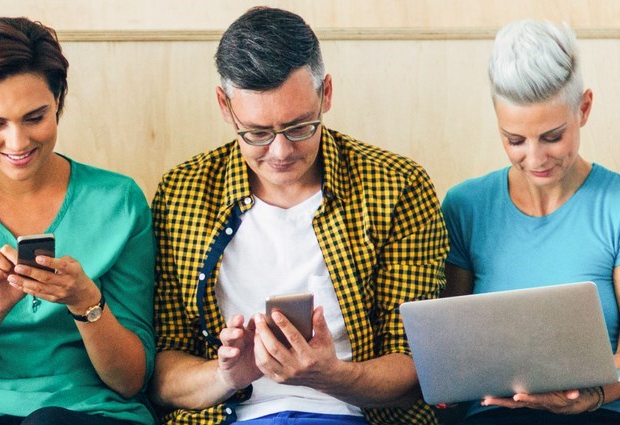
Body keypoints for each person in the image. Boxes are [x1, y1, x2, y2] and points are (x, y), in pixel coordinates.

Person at [147, 6, 444, 425]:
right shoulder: (183, 193)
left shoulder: (397, 186)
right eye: (257, 133)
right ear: (225, 106)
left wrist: (331, 376)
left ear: (326, 94)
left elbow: (419, 370)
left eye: (301, 126)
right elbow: (160, 373)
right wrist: (226, 374)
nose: (281, 152)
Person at [0, 17, 155, 425]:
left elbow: (132, 380)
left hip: (92, 412)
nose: (17, 143)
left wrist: (84, 300)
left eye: (35, 118)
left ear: (59, 101)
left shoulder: (118, 201)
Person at [443, 20, 620, 425]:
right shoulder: (464, 206)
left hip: (604, 412)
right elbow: (453, 340)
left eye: (553, 137)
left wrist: (590, 397)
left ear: (585, 109)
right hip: (493, 415)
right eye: (515, 140)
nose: (536, 159)